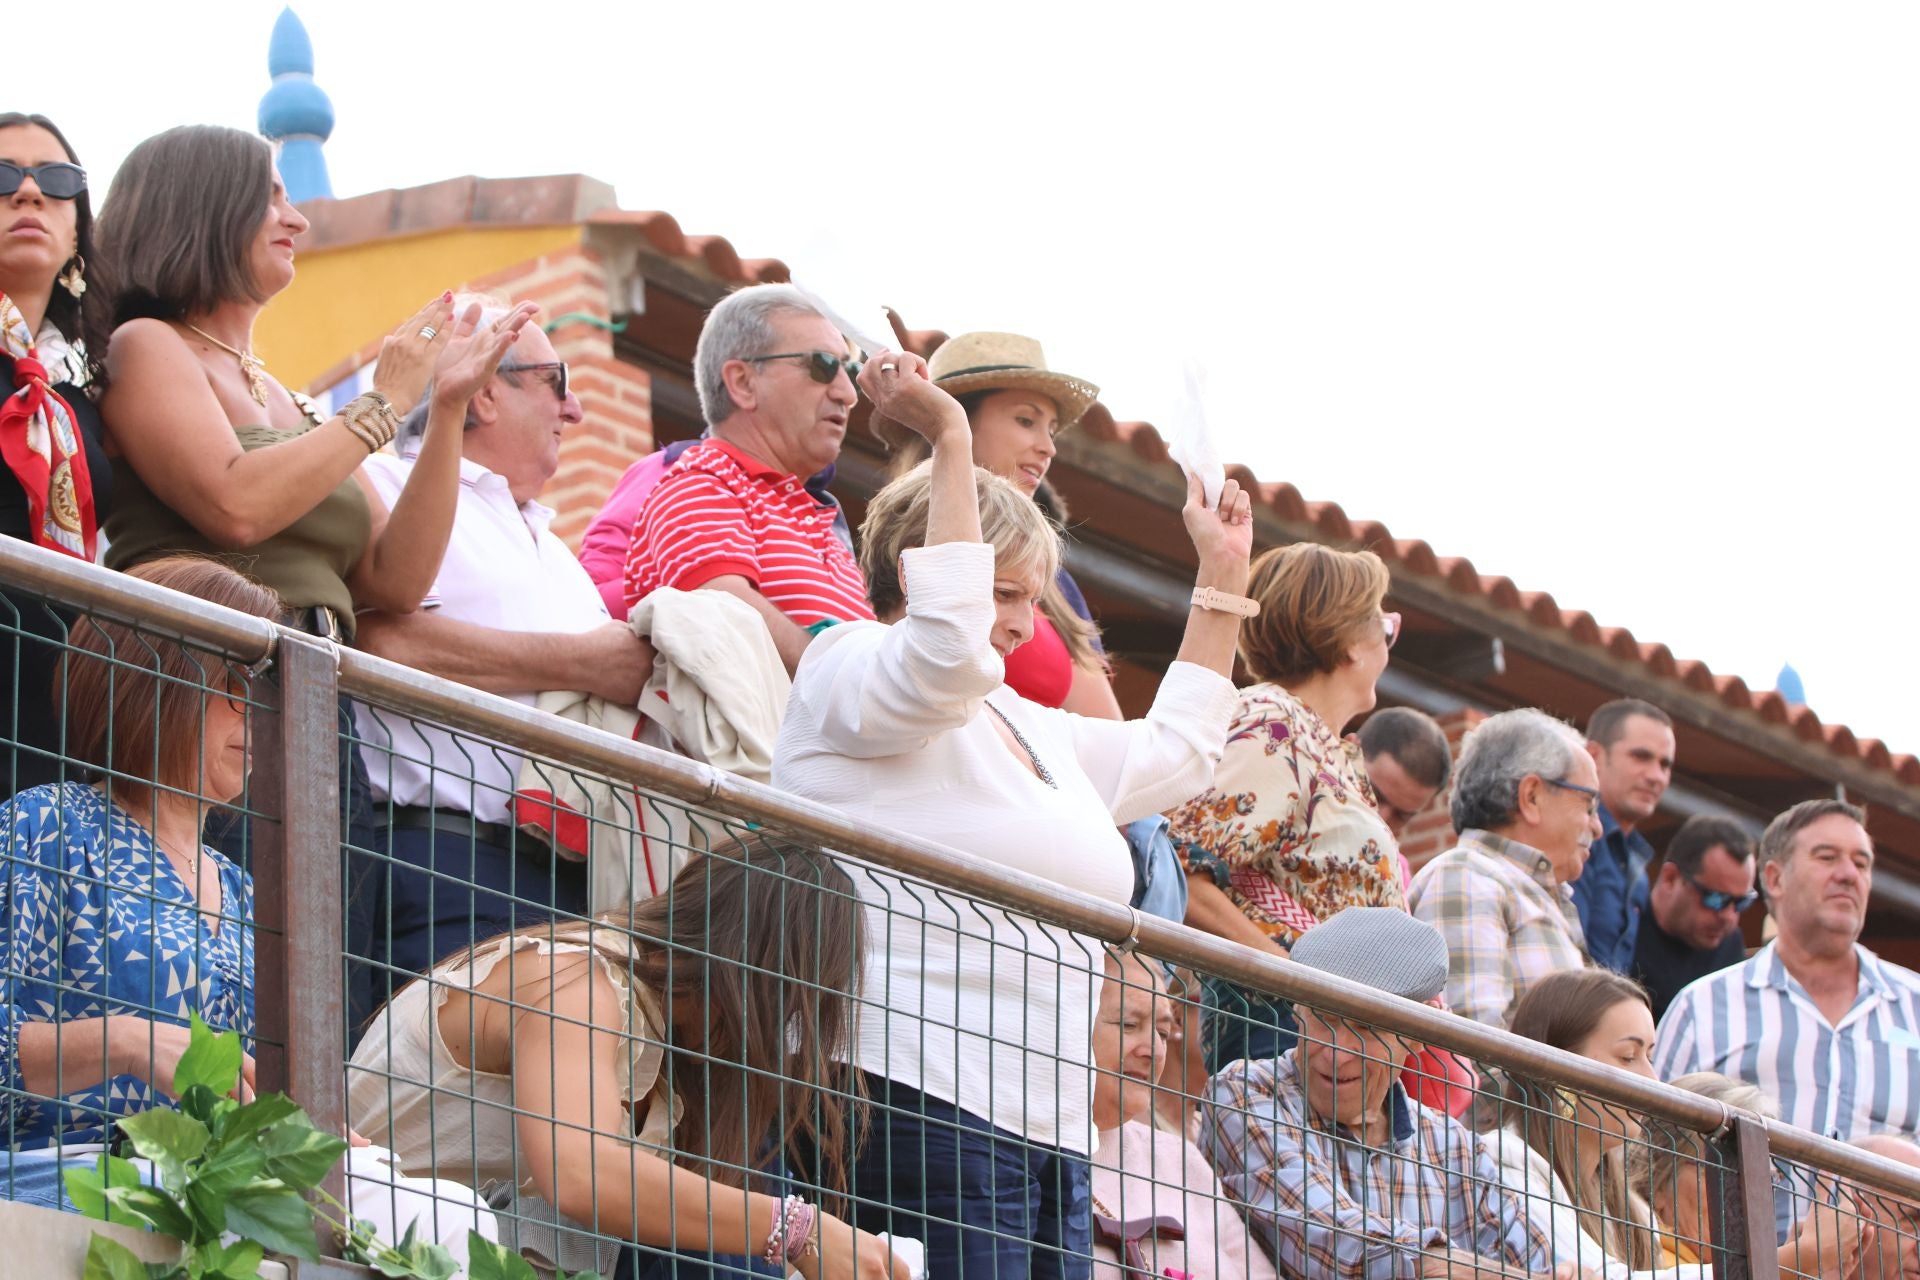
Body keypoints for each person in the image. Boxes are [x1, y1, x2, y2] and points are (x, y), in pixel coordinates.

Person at [773, 350, 1253, 1280]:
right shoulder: (849, 664)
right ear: (923, 573)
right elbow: (944, 653)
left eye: (1031, 599)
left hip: (1050, 1122)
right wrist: (950, 436)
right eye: (1002, 592)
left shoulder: (1034, 725)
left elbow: (1182, 754)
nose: (1023, 625)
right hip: (909, 1096)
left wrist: (1223, 575)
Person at [91, 124, 533, 863]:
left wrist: (447, 404)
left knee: (327, 966)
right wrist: (382, 404)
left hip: (320, 707)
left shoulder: (293, 402)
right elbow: (235, 506)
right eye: (269, 200)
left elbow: (396, 577)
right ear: (201, 208)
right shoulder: (147, 344)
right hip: (202, 689)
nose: (296, 221)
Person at [348, 843, 907, 1280]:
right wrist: (797, 1228)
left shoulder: (668, 1048)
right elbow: (581, 1174)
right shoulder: (576, 981)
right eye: (791, 1007)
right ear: (757, 979)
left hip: (451, 1251)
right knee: (737, 1235)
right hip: (362, 1239)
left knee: (730, 1232)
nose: (785, 1033)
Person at [347, 298, 655, 1035]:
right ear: (484, 390)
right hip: (443, 864)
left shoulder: (558, 551)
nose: (575, 409)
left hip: (569, 883)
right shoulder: (387, 485)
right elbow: (383, 644)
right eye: (556, 380)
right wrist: (581, 661)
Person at [0, 558, 276, 1207]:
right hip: (48, 1175)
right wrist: (124, 1042)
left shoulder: (246, 896)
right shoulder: (48, 827)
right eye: (237, 685)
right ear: (158, 682)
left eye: (269, 694)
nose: (260, 715)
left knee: (443, 1215)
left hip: (203, 1190)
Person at [1200, 907, 1564, 1280]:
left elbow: (1538, 1261)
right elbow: (1331, 1240)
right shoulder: (1244, 1092)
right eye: (1323, 1019)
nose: (1337, 1054)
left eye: (1366, 1029)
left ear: (1419, 1035)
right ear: (1298, 1011)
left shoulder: (1454, 1146)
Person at [1167, 541, 1404, 1071]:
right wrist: (1289, 974)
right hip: (1281, 1028)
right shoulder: (1274, 724)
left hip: (1332, 1034)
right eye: (1385, 628)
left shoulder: (1323, 746)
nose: (1389, 645)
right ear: (1351, 645)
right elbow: (1177, 865)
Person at [1496, 973, 1864, 1280]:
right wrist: (1796, 1259)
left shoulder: (1633, 1211)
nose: (1652, 1079)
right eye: (1628, 1056)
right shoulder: (1506, 1160)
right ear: (1558, 1064)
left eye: (1650, 1056)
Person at [623, 284, 872, 673]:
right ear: (742, 382)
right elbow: (727, 616)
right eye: (822, 365)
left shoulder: (820, 519)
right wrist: (864, 693)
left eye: (850, 369)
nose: (847, 392)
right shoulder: (699, 482)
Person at [878, 330, 1117, 716]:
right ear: (955, 418)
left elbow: (1106, 731)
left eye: (1052, 431)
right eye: (1026, 421)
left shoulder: (1058, 585)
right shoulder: (901, 543)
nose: (1048, 447)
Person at [1653, 799, 1920, 1143]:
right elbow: (1652, 1150)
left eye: (1861, 863)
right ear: (1775, 879)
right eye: (1827, 857)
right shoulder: (1701, 1007)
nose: (1848, 874)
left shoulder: (1914, 1007)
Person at [0, 113, 112, 792]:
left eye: (57, 179)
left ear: (78, 232)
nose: (29, 193)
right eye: (3, 176)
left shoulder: (81, 394)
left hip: (51, 721)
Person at [1407, 708, 1600, 1030]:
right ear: (1531, 796)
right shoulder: (1467, 877)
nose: (1597, 827)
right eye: (1590, 805)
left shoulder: (1511, 887)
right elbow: (1468, 1049)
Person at [1087, 950, 1275, 1280]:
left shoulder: (1180, 1159)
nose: (1152, 1050)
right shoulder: (1017, 1151)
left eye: (1161, 1032)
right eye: (1129, 1025)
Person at [1572, 700, 1676, 975]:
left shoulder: (1636, 863)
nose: (1656, 776)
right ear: (1593, 755)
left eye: (1665, 764)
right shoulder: (1572, 835)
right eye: (1641, 757)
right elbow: (1570, 958)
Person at [1629, 817, 1756, 1021]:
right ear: (1671, 878)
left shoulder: (1729, 946)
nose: (1728, 916)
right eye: (1716, 898)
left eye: (1741, 902)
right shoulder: (1627, 928)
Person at [1359, 706, 1454, 841]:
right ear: (1349, 752)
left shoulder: (1392, 862)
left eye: (1400, 816)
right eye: (1374, 795)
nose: (1381, 820)